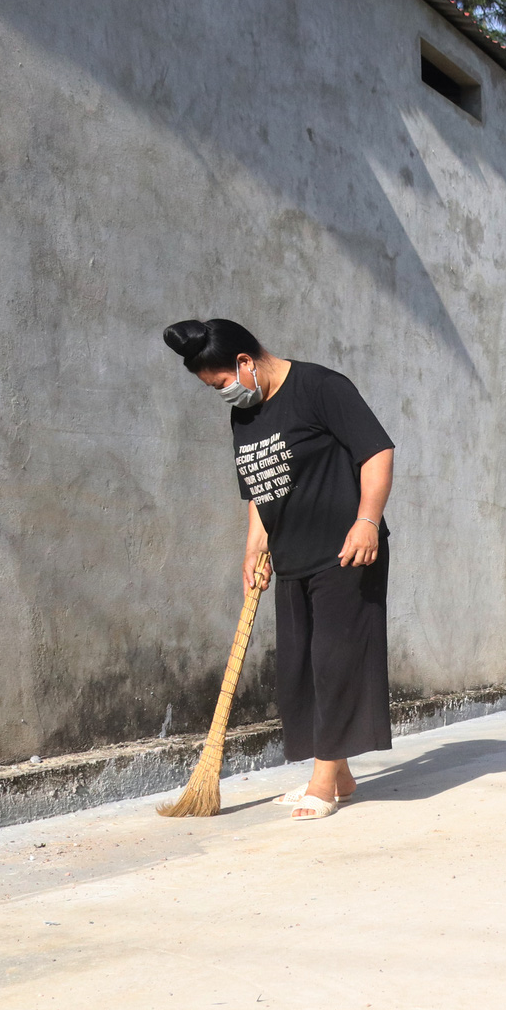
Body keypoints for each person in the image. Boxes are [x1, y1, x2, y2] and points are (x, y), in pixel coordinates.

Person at [164, 318, 396, 821]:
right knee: (302, 670)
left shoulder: (320, 387)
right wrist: (253, 550)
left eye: (221, 383)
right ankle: (342, 775)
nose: (223, 394)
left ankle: (322, 780)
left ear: (245, 362)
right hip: (290, 557)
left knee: (335, 663)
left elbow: (377, 451)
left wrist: (367, 521)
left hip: (345, 550)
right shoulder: (245, 416)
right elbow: (259, 487)